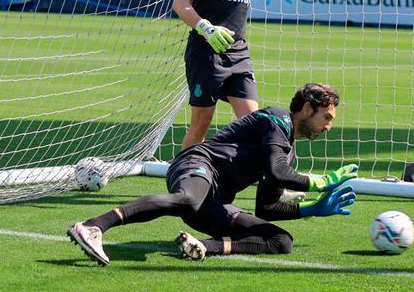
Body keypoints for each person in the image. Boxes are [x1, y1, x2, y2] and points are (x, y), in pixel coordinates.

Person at [67, 83, 358, 266]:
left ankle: (201, 247)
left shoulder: (286, 149)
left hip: (213, 199)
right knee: (189, 199)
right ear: (307, 108)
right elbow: (278, 173)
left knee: (281, 241)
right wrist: (323, 181)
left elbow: (267, 207)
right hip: (197, 164)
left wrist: (313, 209)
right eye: (327, 117)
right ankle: (93, 226)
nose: (328, 126)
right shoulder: (276, 120)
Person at [172, 0, 264, 150]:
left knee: (254, 124)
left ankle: (272, 184)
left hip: (238, 53)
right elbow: (180, 4)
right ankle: (184, 175)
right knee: (202, 121)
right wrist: (207, 28)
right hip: (206, 52)